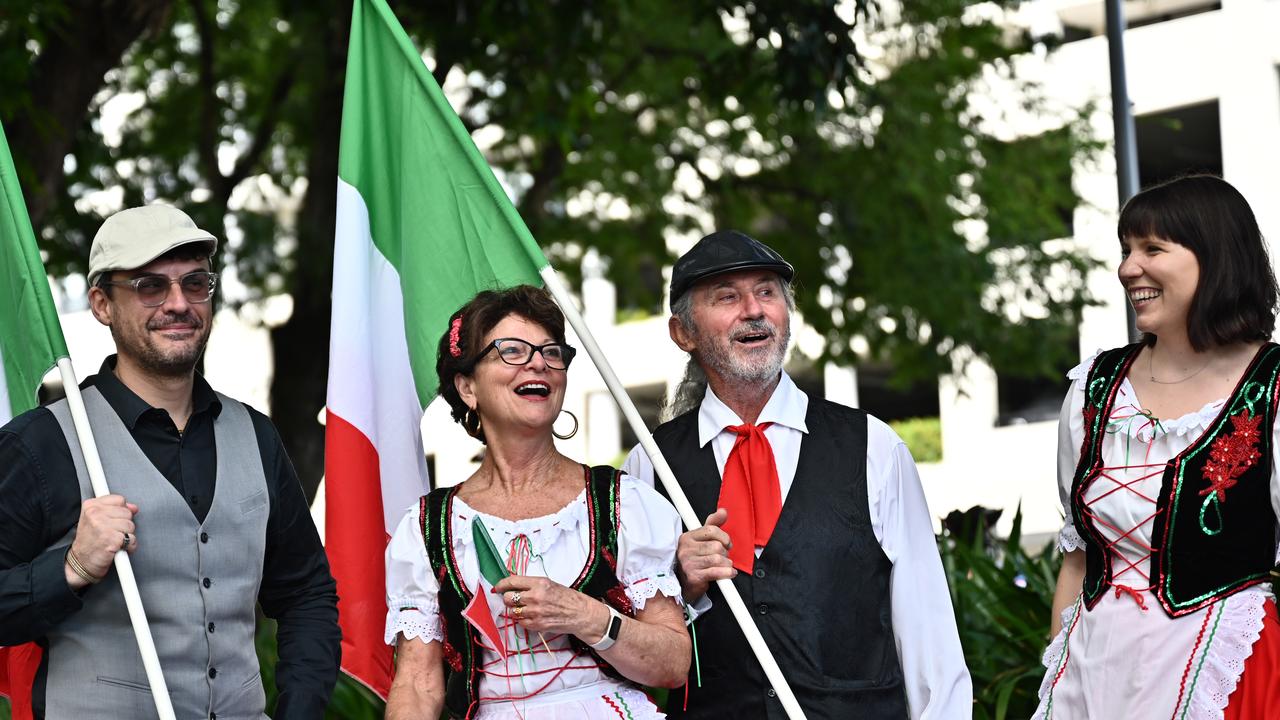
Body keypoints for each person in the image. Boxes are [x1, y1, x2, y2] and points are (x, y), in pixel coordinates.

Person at [0, 205, 341, 718]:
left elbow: (305, 594)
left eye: (194, 283)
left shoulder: (256, 434)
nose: (178, 304)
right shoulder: (41, 443)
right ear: (101, 304)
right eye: (149, 286)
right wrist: (70, 567)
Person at [622, 229, 972, 719]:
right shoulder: (647, 469)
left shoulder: (873, 447)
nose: (753, 309)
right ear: (683, 333)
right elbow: (630, 649)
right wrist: (680, 584)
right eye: (727, 296)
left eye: (767, 292)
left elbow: (927, 629)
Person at [1033, 175, 1280, 719]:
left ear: (1214, 257)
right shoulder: (1093, 388)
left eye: (1152, 249)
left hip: (1224, 669)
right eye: (1126, 250)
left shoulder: (1272, 387)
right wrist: (1056, 679)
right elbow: (1077, 563)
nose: (1127, 268)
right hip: (1092, 675)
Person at [383, 285, 691, 720]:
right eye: (511, 350)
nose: (537, 363)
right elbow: (417, 682)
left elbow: (673, 663)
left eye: (550, 351)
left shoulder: (621, 503)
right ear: (467, 387)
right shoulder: (429, 528)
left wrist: (583, 614)